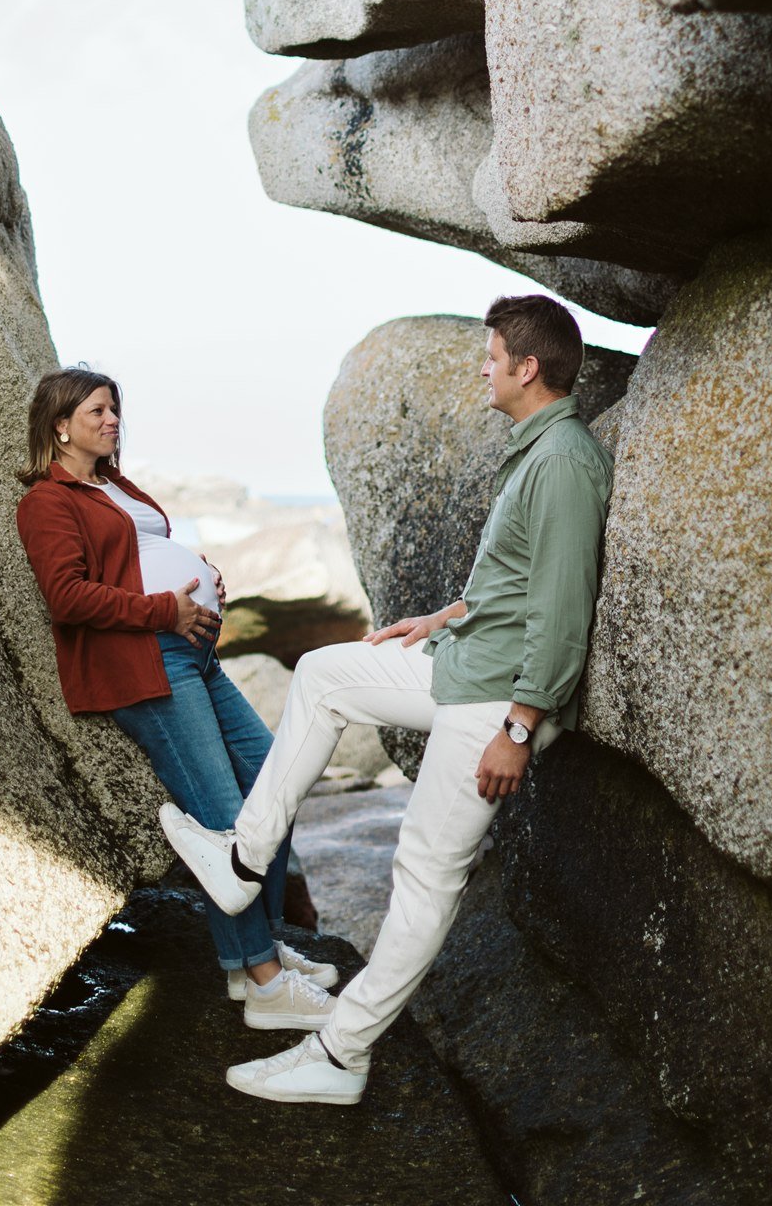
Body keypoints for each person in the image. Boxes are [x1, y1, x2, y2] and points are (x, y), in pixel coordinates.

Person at [160, 294, 613, 1105]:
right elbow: (516, 580)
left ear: (527, 367)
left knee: (424, 874)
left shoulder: (565, 461)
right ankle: (241, 861)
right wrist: (443, 615)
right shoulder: (535, 449)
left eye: (490, 356)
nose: (482, 368)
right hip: (464, 664)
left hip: (496, 701)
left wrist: (519, 726)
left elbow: (562, 607)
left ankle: (340, 1054)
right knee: (325, 673)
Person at [15, 365, 338, 1032]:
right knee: (223, 818)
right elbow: (67, 597)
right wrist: (166, 607)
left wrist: (202, 573)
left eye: (114, 410)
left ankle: (258, 953)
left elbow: (143, 552)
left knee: (274, 789)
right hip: (146, 663)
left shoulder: (113, 485)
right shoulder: (46, 501)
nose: (111, 421)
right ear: (59, 425)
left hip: (194, 656)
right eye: (97, 411)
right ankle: (261, 979)